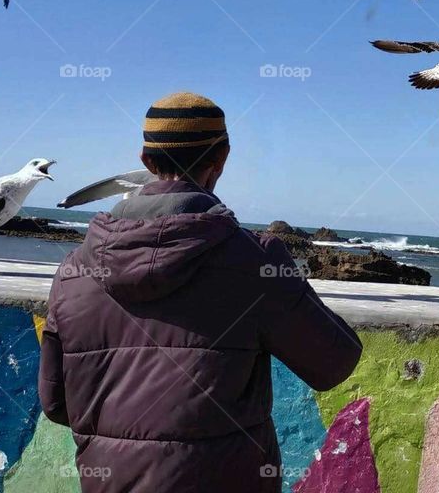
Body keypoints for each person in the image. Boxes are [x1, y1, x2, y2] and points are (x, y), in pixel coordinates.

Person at [38, 92, 362, 492]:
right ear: (222, 158)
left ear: (145, 161)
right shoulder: (253, 262)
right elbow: (335, 362)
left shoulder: (75, 269)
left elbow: (56, 404)